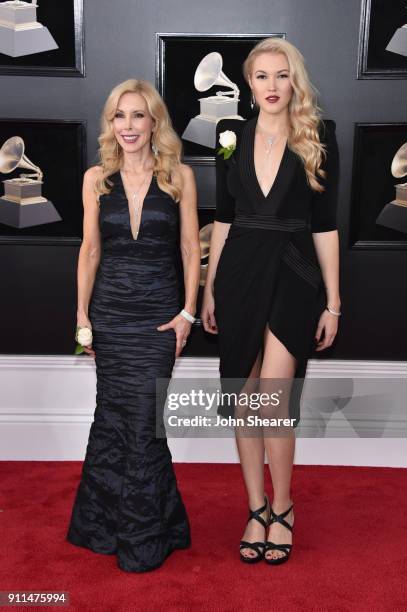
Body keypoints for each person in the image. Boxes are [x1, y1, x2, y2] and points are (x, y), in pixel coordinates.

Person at [201, 38, 340, 565]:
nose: (273, 86)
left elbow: (325, 226)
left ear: (294, 80)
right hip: (237, 273)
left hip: (293, 272)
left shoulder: (318, 136)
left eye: (282, 75)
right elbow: (224, 218)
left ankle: (283, 508)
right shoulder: (228, 134)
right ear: (249, 84)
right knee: (245, 399)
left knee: (274, 404)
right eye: (262, 76)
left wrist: (334, 302)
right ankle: (255, 509)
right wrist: (210, 288)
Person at [67, 79, 200, 572]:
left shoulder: (179, 177)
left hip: (161, 316)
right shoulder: (95, 178)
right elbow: (90, 250)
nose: (128, 126)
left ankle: (145, 537)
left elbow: (191, 249)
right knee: (114, 418)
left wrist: (188, 311)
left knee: (146, 422)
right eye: (119, 116)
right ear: (111, 123)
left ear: (154, 123)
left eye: (138, 116)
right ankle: (105, 529)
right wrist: (82, 316)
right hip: (111, 313)